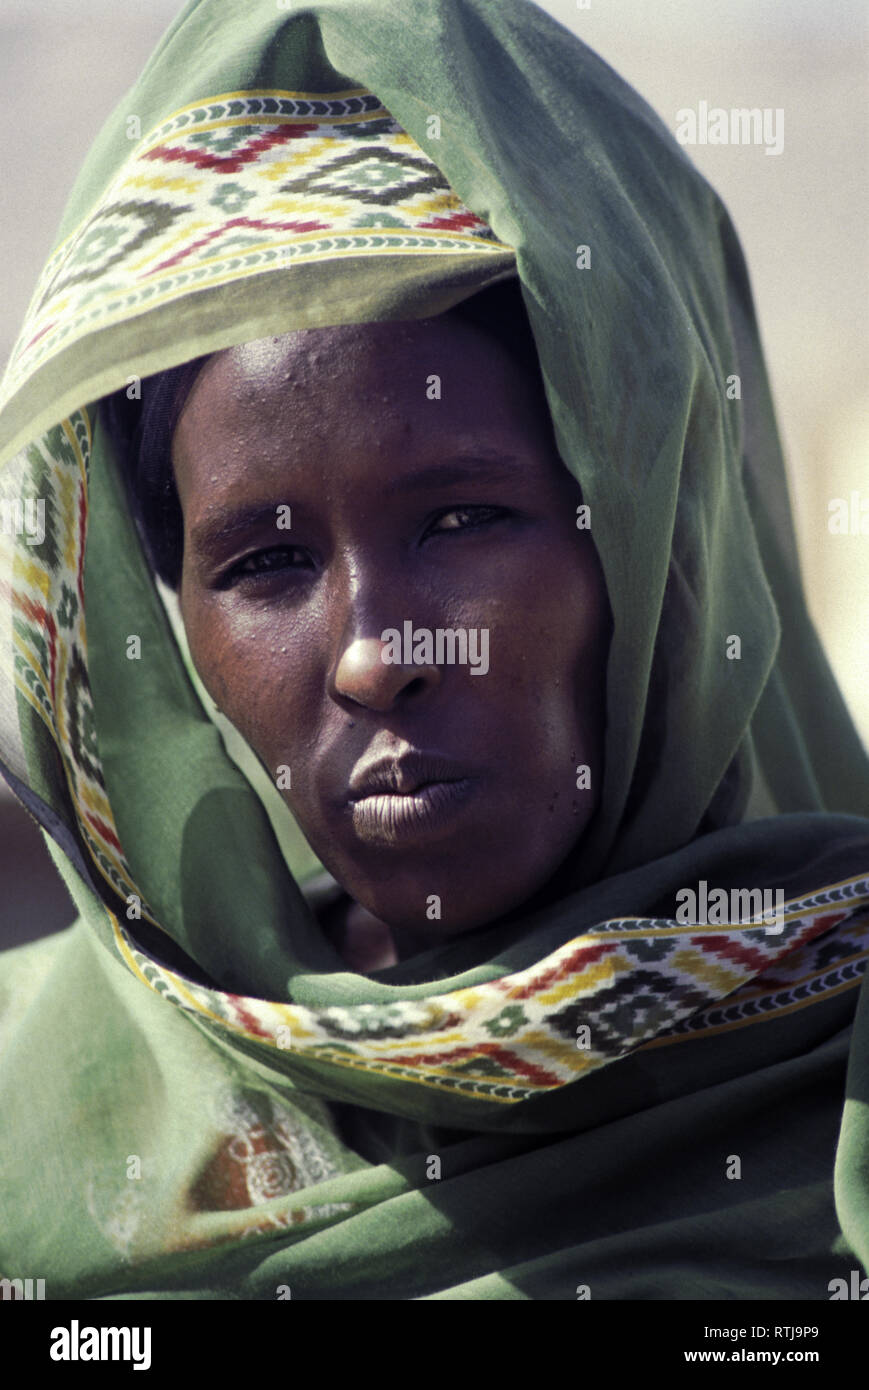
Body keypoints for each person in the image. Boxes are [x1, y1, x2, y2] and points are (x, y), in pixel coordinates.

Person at [0, 0, 866, 1301]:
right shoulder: (44, 1111)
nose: (369, 656)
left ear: (657, 539)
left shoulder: (834, 1085)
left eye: (466, 519)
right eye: (264, 562)